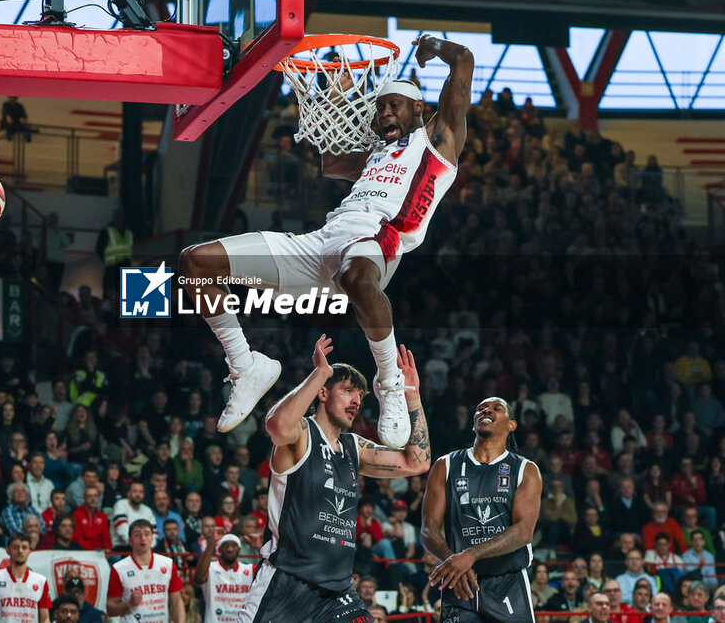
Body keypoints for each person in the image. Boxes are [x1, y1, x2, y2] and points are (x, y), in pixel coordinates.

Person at [178, 34, 474, 439]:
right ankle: (246, 365)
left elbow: (464, 60)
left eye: (394, 106)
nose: (385, 112)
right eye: (381, 107)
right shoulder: (375, 155)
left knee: (357, 279)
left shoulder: (438, 139)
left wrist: (431, 46)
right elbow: (331, 163)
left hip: (378, 240)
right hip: (321, 242)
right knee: (195, 262)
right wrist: (335, 97)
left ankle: (389, 383)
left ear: (418, 108)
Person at [238, 337, 431, 622]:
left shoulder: (356, 447)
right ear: (323, 393)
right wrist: (320, 375)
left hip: (338, 592)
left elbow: (417, 462)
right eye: (348, 390)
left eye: (361, 396)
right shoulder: (301, 433)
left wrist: (412, 395)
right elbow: (276, 425)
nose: (356, 400)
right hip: (288, 585)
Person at [421, 396, 542, 623]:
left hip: (507, 582)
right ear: (473, 422)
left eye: (496, 408)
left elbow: (524, 531)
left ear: (511, 425)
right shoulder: (445, 465)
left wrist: (470, 556)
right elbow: (428, 529)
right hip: (459, 583)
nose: (486, 411)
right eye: (481, 409)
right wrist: (454, 561)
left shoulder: (525, 469)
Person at [107, 520, 185, 623]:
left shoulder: (168, 564)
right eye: (137, 535)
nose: (143, 538)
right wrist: (129, 603)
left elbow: (177, 602)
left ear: (152, 539)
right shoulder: (119, 568)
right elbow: (110, 610)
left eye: (147, 534)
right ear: (130, 540)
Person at [0, 532, 52, 623]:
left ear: (29, 551)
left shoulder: (41, 581)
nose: (20, 551)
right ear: (8, 550)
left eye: (24, 548)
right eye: (16, 547)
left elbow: (45, 618)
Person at [195, 529, 255, 623]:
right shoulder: (210, 567)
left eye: (233, 545)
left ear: (239, 550)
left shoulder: (250, 569)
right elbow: (198, 578)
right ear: (219, 550)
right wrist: (212, 542)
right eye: (226, 545)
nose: (230, 549)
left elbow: (267, 577)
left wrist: (259, 547)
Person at [72, 485, 112, 551]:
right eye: (90, 496)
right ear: (84, 498)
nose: (93, 499)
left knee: (116, 557)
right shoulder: (77, 515)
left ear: (99, 498)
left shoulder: (102, 516)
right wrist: (92, 550)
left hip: (101, 551)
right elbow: (77, 538)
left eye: (95, 496)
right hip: (84, 551)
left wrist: (107, 548)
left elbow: (106, 537)